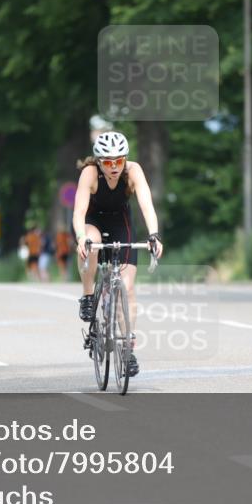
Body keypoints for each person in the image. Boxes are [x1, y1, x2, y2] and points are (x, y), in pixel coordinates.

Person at [73, 131, 163, 377]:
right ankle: (89, 296)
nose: (114, 167)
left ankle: (128, 349)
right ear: (99, 161)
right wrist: (81, 237)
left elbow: (146, 204)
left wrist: (153, 235)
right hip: (92, 221)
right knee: (93, 240)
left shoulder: (133, 171)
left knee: (128, 286)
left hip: (120, 222)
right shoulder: (89, 174)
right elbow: (79, 211)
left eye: (119, 160)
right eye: (108, 162)